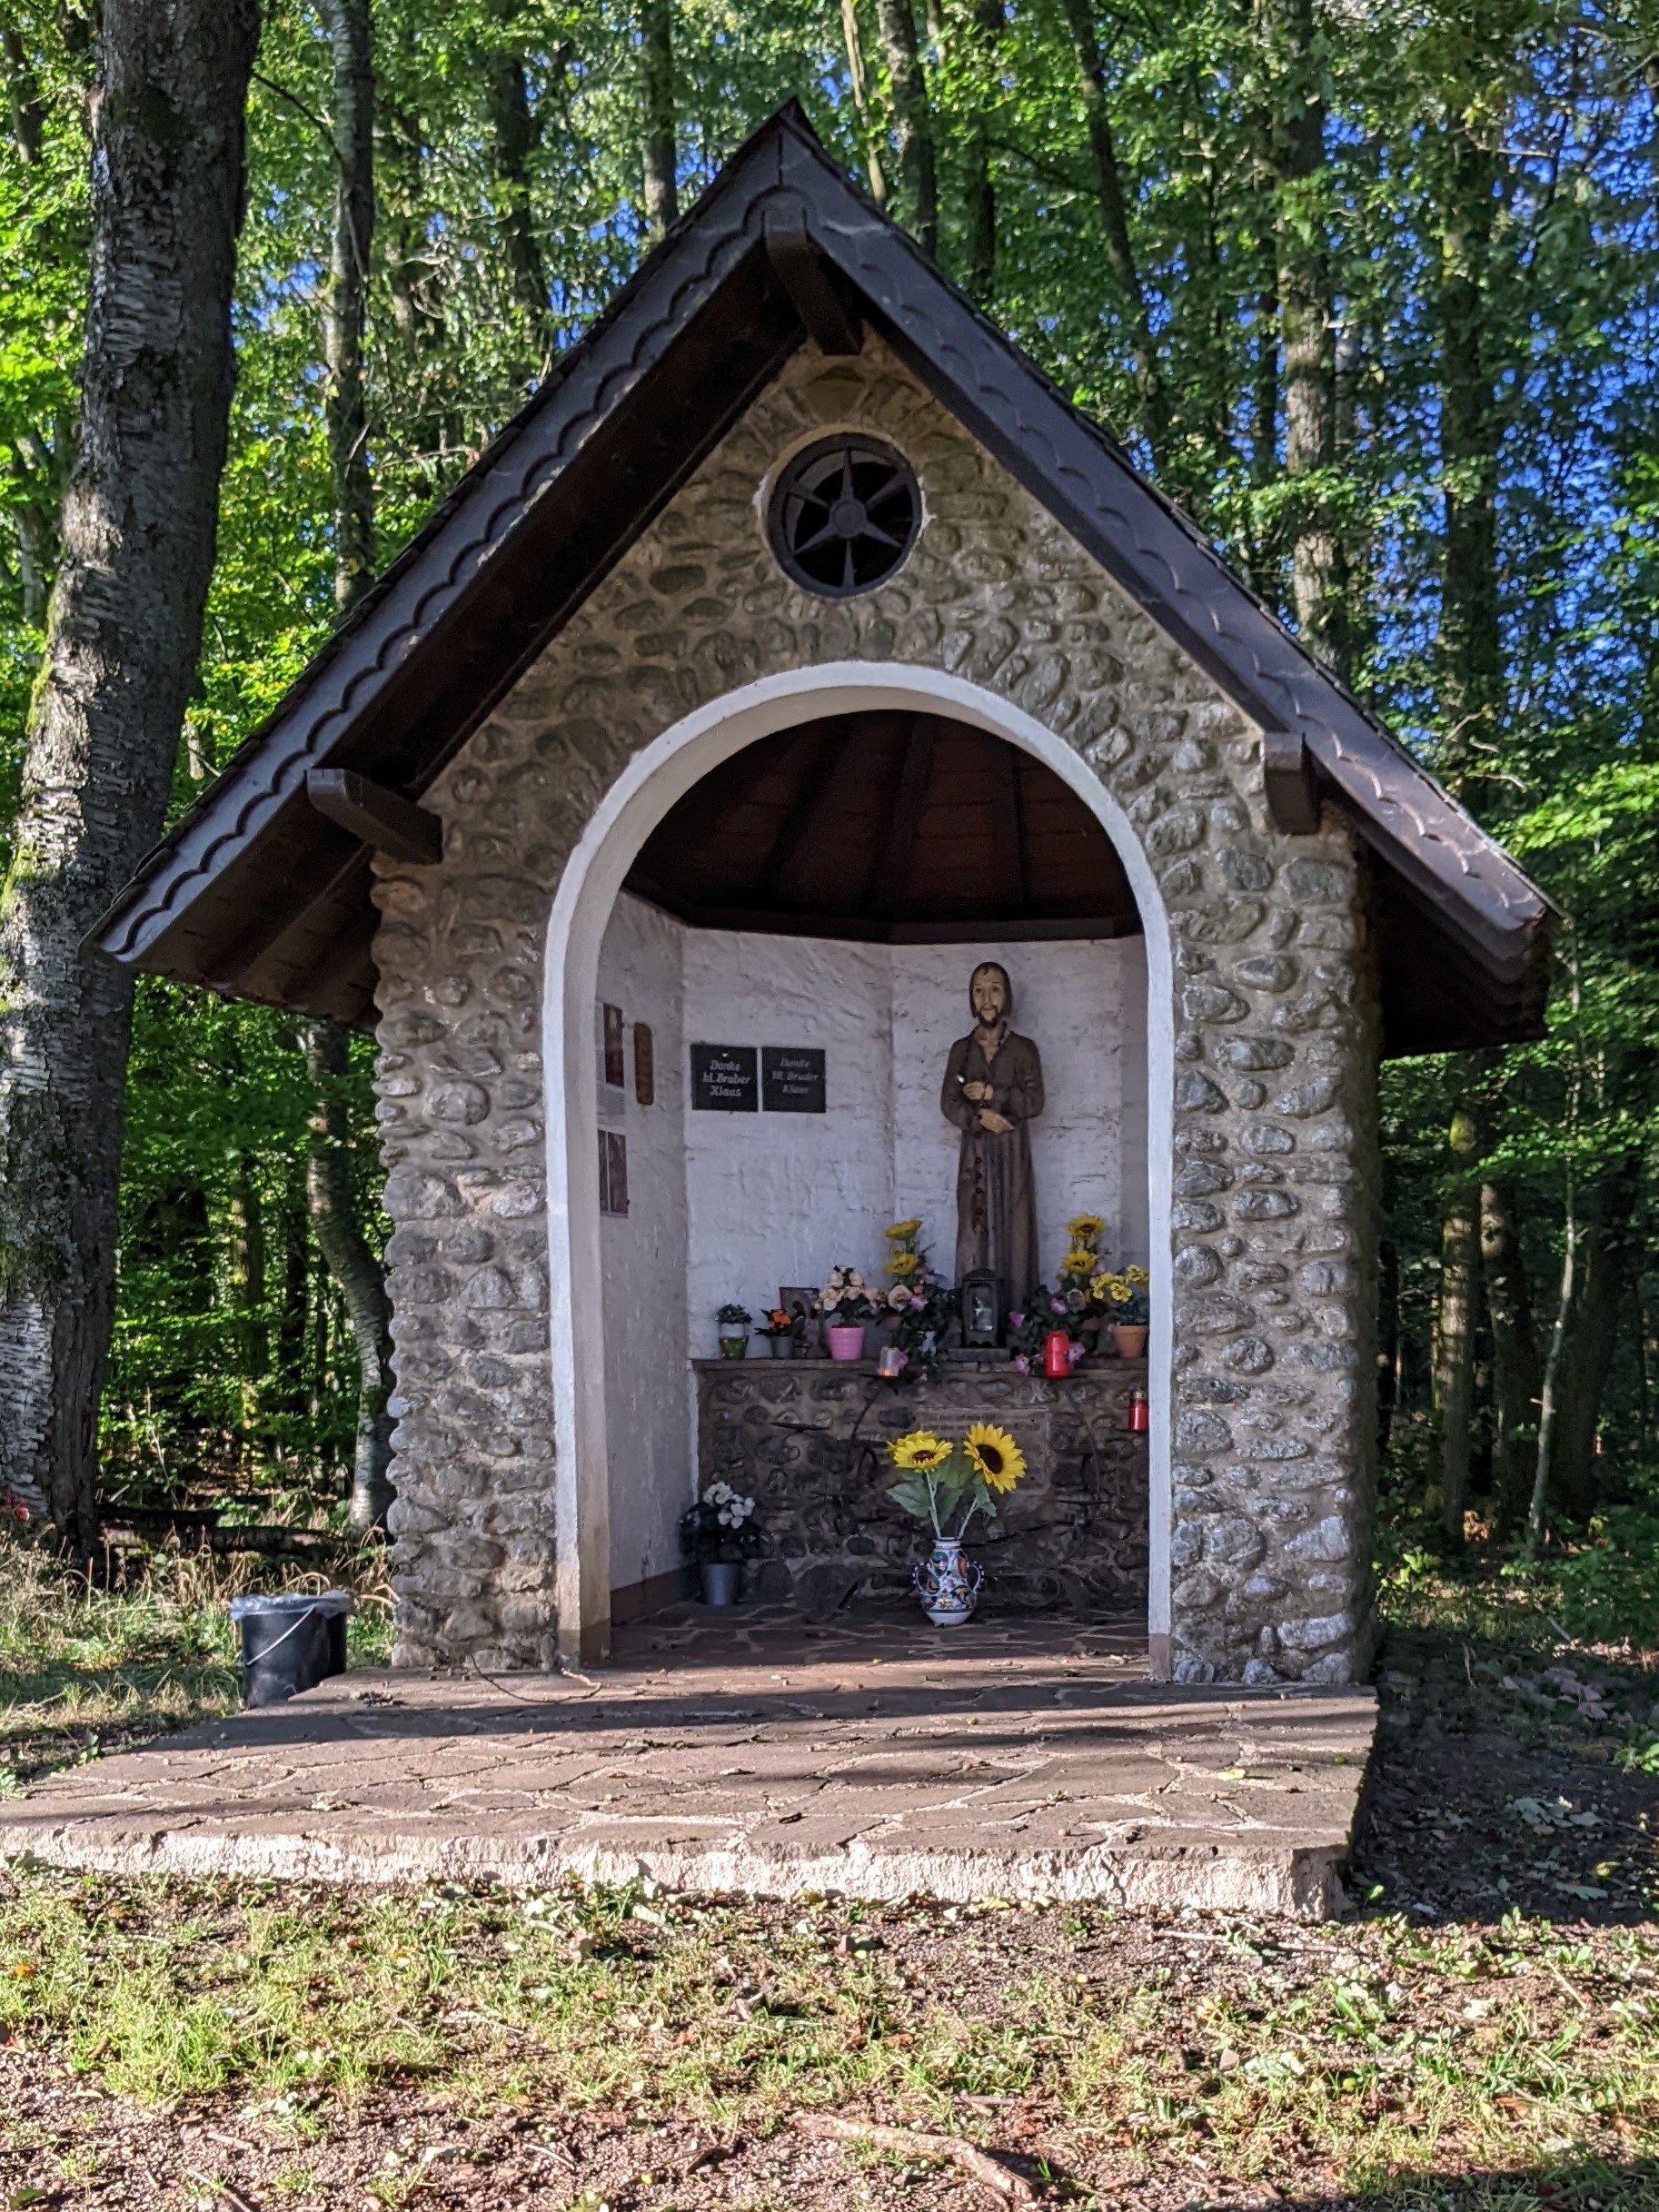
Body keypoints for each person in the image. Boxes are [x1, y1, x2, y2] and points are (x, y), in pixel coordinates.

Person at [939, 961, 1044, 1302]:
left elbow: (1034, 1101)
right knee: (974, 1225)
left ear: (1007, 997)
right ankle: (973, 1316)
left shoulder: (1023, 1049)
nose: (987, 999)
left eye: (995, 989)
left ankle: (1019, 1315)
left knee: (1016, 1228)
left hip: (1013, 1152)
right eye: (979, 990)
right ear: (971, 999)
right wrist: (979, 1118)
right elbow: (949, 1102)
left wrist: (990, 1094)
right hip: (976, 1153)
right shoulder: (961, 1050)